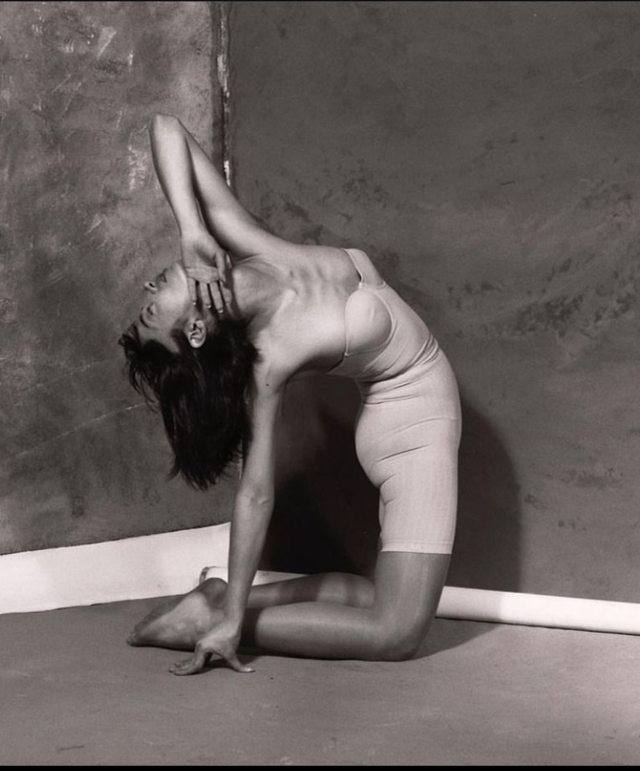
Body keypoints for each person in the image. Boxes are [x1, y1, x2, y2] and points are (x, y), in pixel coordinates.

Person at [119, 114, 462, 676]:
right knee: (397, 633)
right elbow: (255, 495)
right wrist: (232, 618)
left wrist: (190, 228)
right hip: (416, 429)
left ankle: (221, 603)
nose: (147, 289)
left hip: (408, 412)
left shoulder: (245, 241)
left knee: (364, 595)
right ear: (195, 331)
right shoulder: (270, 360)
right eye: (152, 313)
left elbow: (165, 127)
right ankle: (219, 619)